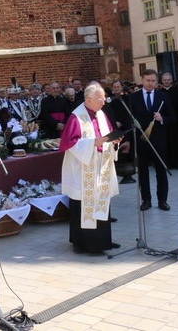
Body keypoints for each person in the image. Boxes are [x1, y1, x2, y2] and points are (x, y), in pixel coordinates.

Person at [59, 83, 121, 254]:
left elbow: (107, 134)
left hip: (100, 166)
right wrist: (93, 143)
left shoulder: (101, 114)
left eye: (104, 99)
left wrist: (114, 140)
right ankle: (83, 244)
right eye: (100, 99)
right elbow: (68, 144)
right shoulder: (76, 117)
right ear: (88, 99)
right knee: (83, 205)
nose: (103, 103)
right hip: (83, 168)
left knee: (101, 202)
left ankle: (102, 241)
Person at [130, 69, 174, 211]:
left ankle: (162, 200)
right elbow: (129, 118)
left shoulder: (162, 96)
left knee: (161, 169)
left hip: (158, 139)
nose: (150, 83)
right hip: (142, 138)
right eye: (148, 80)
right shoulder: (134, 97)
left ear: (156, 82)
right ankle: (146, 200)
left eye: (153, 81)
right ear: (142, 80)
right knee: (143, 171)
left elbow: (173, 116)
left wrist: (162, 119)